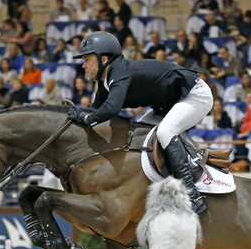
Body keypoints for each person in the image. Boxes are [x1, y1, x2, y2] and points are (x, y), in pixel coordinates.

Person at [66, 31, 213, 213]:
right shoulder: (105, 81)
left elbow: (110, 109)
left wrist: (86, 117)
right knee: (139, 136)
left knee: (165, 132)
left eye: (87, 59)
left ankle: (192, 194)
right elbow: (96, 112)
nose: (83, 65)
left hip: (194, 95)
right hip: (167, 105)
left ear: (103, 59)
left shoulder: (119, 72)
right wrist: (77, 115)